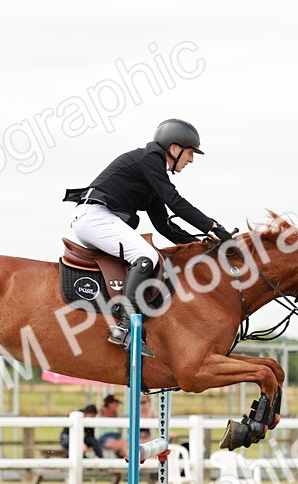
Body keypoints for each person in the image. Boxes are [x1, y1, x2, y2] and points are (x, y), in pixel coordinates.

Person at [63, 119, 236, 357]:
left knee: (147, 254)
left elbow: (164, 225)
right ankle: (125, 327)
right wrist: (213, 227)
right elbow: (175, 201)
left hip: (96, 219)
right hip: (95, 217)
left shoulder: (152, 173)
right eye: (189, 153)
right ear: (174, 149)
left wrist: (200, 246)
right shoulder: (150, 160)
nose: (191, 160)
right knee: (146, 255)